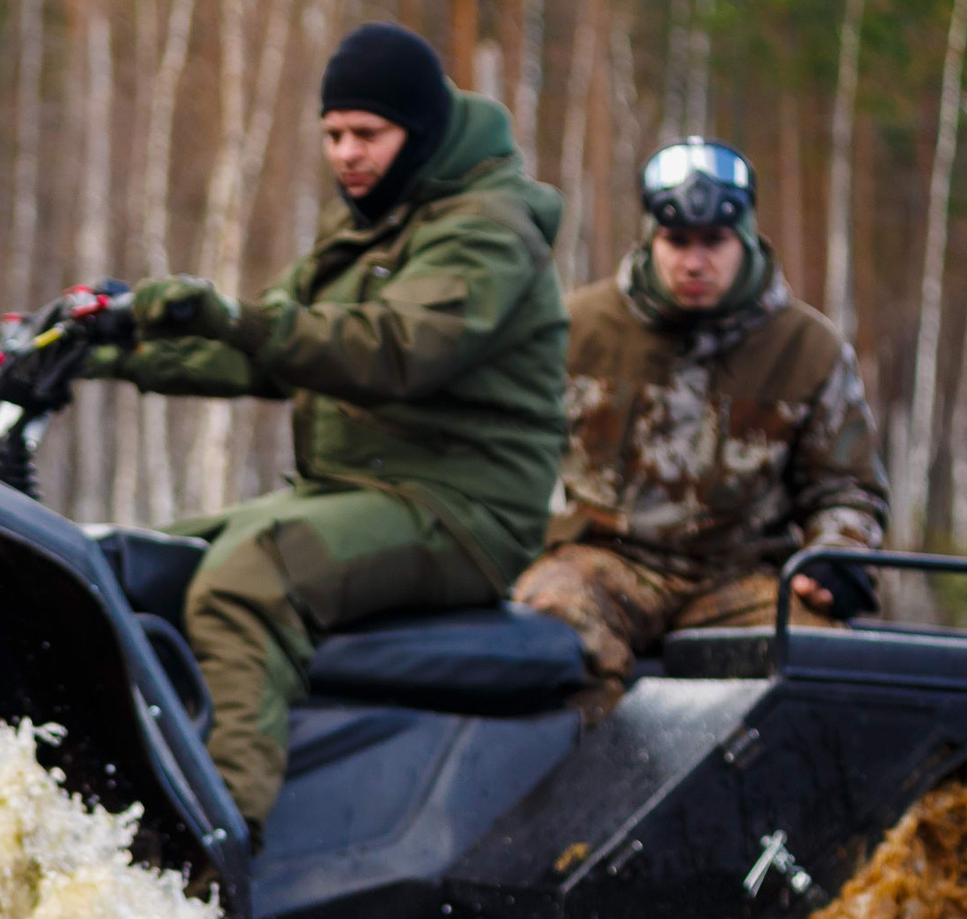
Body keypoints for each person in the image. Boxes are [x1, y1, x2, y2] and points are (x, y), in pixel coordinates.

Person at [80, 21, 568, 835]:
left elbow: (391, 351)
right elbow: (264, 355)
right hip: (356, 491)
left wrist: (226, 313)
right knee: (135, 564)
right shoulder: (369, 225)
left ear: (420, 130)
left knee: (245, 579)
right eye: (334, 134)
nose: (347, 153)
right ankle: (108, 802)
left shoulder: (486, 230)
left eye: (368, 134)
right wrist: (105, 351)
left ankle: (219, 839)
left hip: (460, 509)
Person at [515, 138, 891, 718]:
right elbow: (509, 454)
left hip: (741, 576)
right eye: (677, 241)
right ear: (650, 237)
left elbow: (847, 488)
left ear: (743, 237)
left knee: (820, 670)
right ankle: (581, 802)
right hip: (604, 563)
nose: (694, 262)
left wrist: (837, 556)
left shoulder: (808, 350)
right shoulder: (577, 329)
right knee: (543, 638)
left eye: (713, 242)